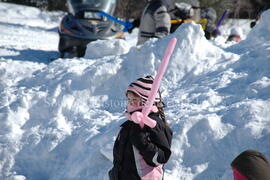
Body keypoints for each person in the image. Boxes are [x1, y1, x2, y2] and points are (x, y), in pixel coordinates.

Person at [108, 76, 173, 180]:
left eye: (134, 99)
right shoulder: (129, 124)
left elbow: (161, 158)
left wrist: (142, 142)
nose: (130, 103)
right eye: (129, 99)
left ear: (146, 101)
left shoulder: (154, 124)